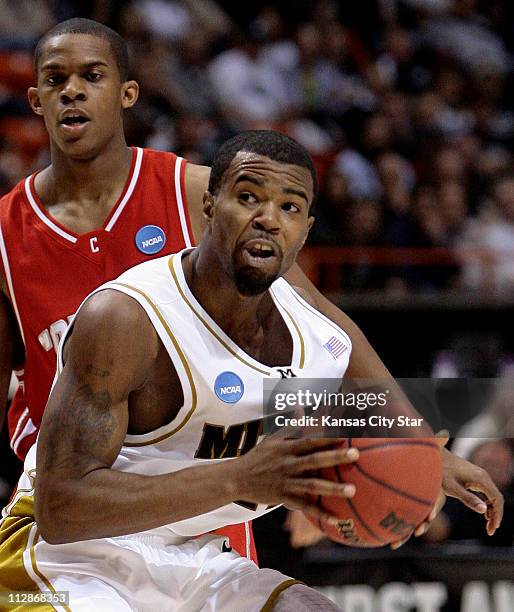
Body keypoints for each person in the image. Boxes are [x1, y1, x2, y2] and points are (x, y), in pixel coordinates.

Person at [0, 18, 503, 557]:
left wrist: (413, 445)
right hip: (85, 500)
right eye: (56, 79)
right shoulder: (5, 236)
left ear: (127, 93)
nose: (72, 90)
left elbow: (320, 323)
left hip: (202, 487)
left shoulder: (197, 193)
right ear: (34, 99)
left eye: (91, 76)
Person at [0, 130, 362, 610]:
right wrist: (239, 478)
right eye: (249, 198)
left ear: (306, 229)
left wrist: (418, 462)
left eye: (289, 208)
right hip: (63, 557)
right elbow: (60, 509)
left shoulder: (321, 346)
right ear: (207, 207)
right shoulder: (126, 315)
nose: (268, 220)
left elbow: (378, 422)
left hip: (188, 554)